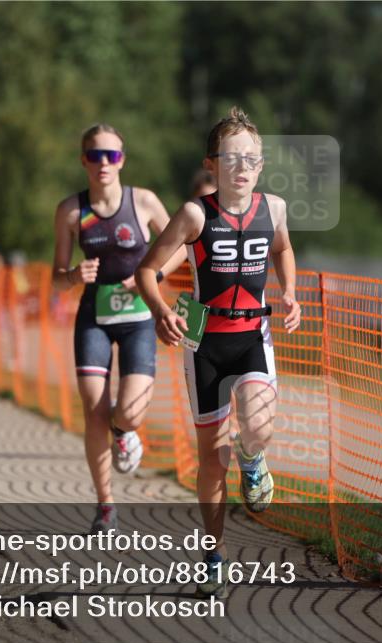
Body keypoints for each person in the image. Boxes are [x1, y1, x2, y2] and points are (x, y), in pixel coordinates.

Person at [135, 107, 302, 598]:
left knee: (258, 425)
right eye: (231, 157)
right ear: (212, 164)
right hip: (204, 344)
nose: (242, 165)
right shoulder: (193, 215)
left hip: (253, 337)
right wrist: (161, 310)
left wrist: (289, 292)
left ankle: (255, 459)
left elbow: (284, 249)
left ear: (261, 165)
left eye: (251, 157)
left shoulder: (275, 209)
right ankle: (212, 552)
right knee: (212, 458)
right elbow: (148, 271)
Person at [52, 123, 185, 535]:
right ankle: (105, 505)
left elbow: (183, 247)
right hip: (93, 316)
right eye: (95, 156)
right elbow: (55, 278)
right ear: (84, 161)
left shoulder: (143, 202)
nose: (103, 163)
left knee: (127, 411)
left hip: (138, 318)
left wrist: (151, 277)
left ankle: (124, 431)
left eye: (111, 156)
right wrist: (74, 275)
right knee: (93, 412)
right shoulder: (71, 211)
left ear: (122, 160)